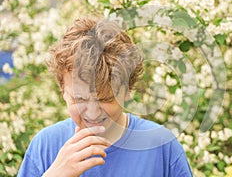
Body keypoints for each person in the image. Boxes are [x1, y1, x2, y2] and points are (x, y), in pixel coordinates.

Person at [17, 18, 193, 177]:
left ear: (127, 92)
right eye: (80, 99)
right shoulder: (45, 146)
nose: (92, 113)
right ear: (63, 90)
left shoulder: (162, 146)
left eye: (106, 99)